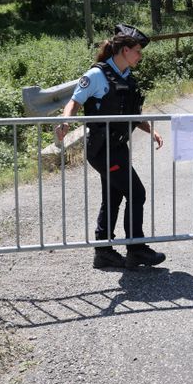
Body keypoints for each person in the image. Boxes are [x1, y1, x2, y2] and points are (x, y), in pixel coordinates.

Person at [56, 24, 166, 270]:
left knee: (114, 196)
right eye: (137, 51)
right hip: (103, 149)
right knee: (136, 193)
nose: (140, 56)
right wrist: (65, 121)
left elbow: (130, 114)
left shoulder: (126, 77)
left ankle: (103, 252)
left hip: (117, 147)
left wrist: (151, 130)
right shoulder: (97, 75)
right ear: (125, 50)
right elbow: (74, 103)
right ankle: (136, 249)